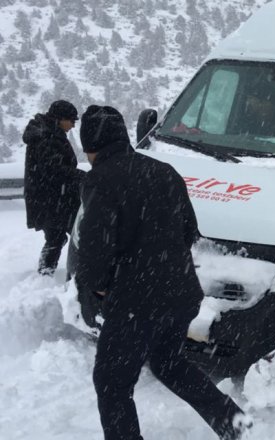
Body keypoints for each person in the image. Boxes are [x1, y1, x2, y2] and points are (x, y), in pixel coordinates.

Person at [75, 105, 249, 440]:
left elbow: (95, 246)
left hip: (135, 302)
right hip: (180, 293)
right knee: (168, 362)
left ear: (90, 146)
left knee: (112, 382)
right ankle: (231, 419)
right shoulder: (163, 171)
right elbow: (189, 231)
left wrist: (96, 286)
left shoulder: (101, 179)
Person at [22, 99, 85, 275]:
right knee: (70, 235)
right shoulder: (46, 136)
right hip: (52, 198)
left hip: (53, 197)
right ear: (60, 118)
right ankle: (54, 273)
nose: (73, 125)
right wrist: (81, 176)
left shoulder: (49, 133)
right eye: (71, 120)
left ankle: (48, 272)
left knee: (59, 236)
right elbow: (53, 169)